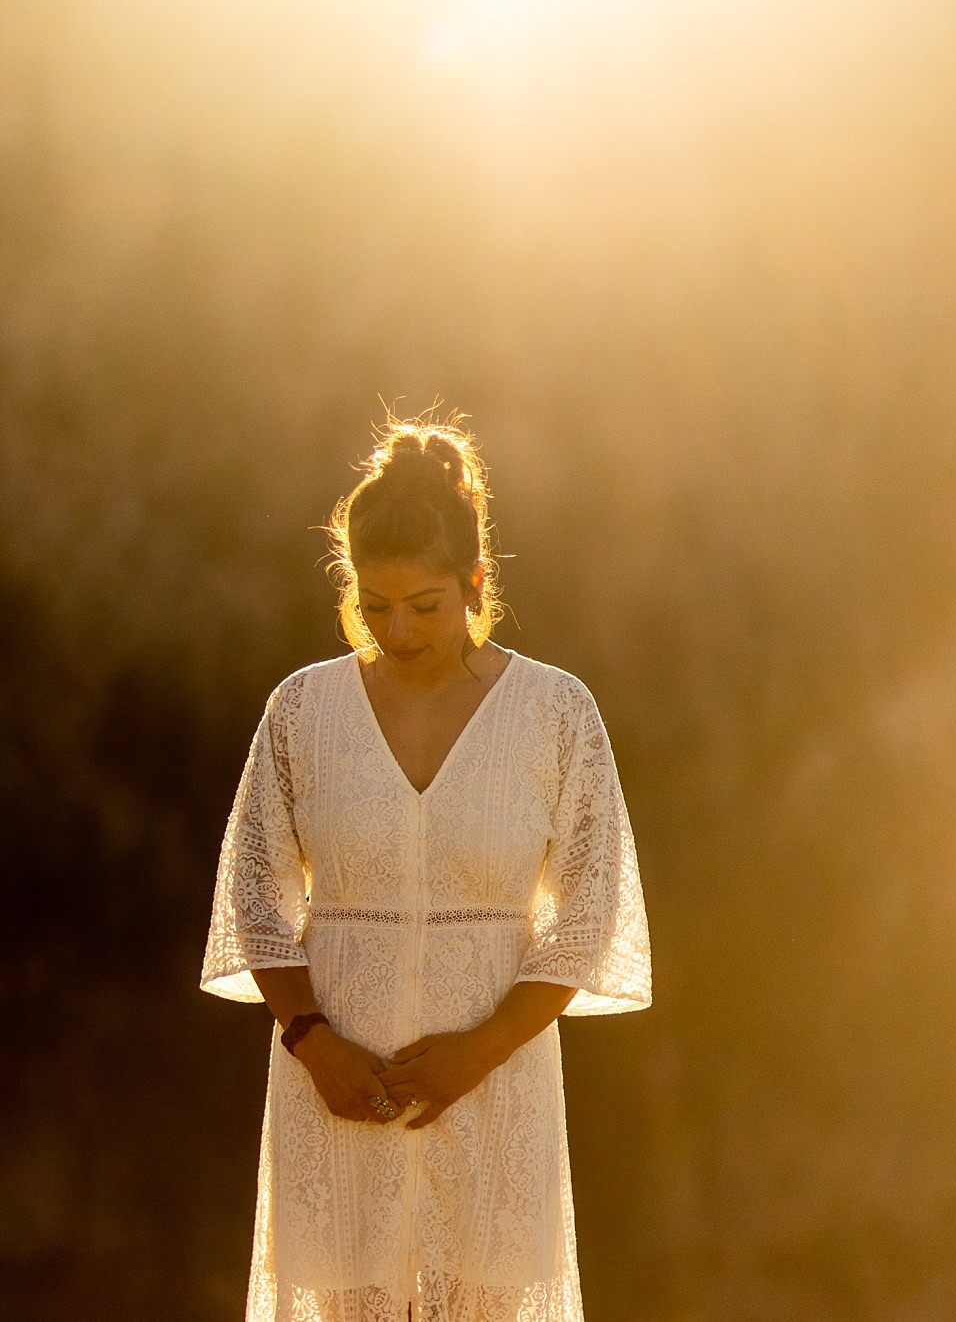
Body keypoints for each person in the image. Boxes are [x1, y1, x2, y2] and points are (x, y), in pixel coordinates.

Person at [201, 419, 652, 1322]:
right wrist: (313, 1042)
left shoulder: (555, 712)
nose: (398, 628)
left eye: (426, 604)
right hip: (333, 1095)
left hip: (496, 1099)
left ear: (478, 584)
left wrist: (475, 1055)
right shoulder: (303, 711)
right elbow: (255, 896)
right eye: (374, 604)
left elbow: (591, 906)